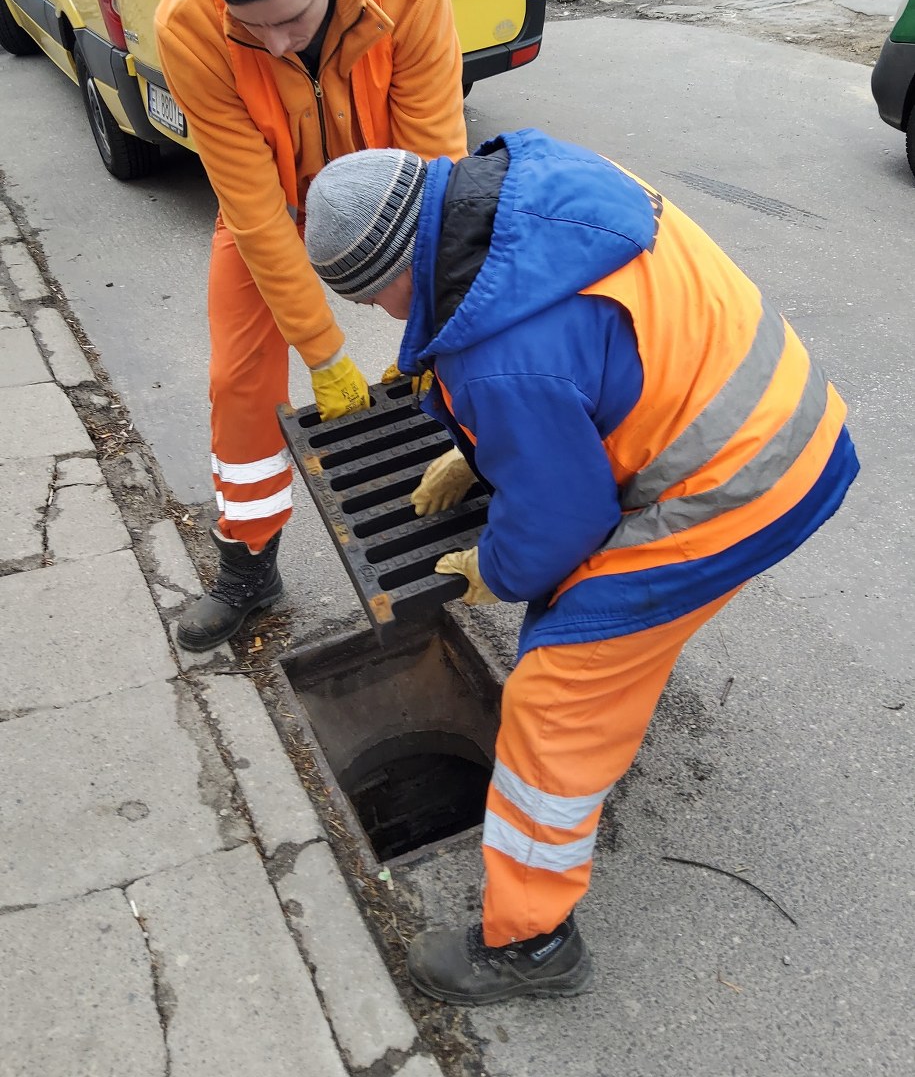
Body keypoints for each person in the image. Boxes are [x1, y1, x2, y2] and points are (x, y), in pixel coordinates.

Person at [303, 129, 859, 1006]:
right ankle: (605, 731)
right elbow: (586, 361)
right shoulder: (531, 181)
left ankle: (528, 944)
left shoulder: (501, 361)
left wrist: (496, 566)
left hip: (735, 485)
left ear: (397, 267)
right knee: (606, 648)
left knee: (555, 691)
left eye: (374, 297)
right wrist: (485, 454)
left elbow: (561, 522)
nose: (380, 315)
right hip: (779, 412)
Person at [154, 0, 467, 651]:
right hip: (273, 196)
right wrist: (324, 351)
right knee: (238, 375)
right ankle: (250, 564)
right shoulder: (189, 25)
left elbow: (436, 177)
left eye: (291, 20)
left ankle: (477, 508)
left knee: (466, 330)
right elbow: (256, 212)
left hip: (382, 186)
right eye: (252, 29)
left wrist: (424, 330)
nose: (276, 45)